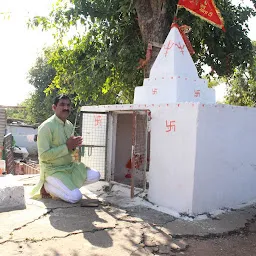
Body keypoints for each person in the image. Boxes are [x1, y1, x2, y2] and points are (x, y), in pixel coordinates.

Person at [30, 94, 100, 203]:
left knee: (96, 175)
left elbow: (71, 150)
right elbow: (43, 156)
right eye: (62, 105)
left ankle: (65, 187)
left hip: (70, 167)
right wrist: (67, 146)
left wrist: (75, 146)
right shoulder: (46, 127)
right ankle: (47, 186)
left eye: (68, 105)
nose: (66, 108)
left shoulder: (69, 125)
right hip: (53, 170)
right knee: (75, 197)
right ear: (54, 107)